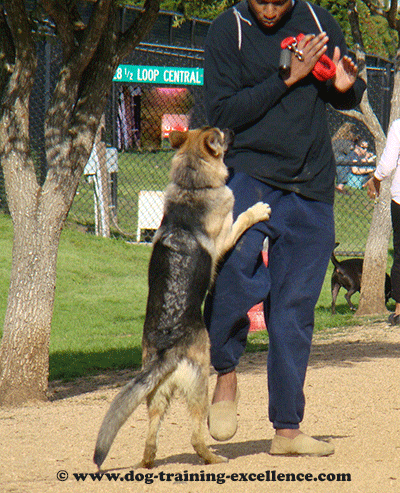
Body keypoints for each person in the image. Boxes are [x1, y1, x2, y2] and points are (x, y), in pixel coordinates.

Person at [203, 0, 366, 456]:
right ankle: (226, 374)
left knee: (295, 308)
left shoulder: (316, 20)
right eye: (262, 0)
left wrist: (346, 89)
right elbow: (222, 112)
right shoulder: (228, 30)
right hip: (251, 175)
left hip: (311, 183)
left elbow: (338, 90)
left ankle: (287, 430)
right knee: (233, 273)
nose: (270, 10)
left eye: (279, 1)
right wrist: (286, 77)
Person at [364, 119, 400, 325]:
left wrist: (375, 179)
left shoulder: (398, 126)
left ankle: (398, 311)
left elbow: (387, 164)